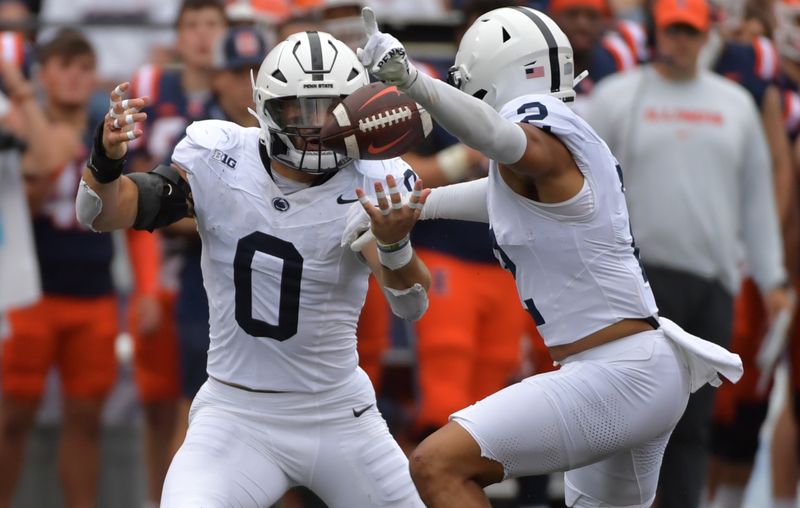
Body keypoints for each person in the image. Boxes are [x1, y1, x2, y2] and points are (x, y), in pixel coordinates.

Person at [353, 5, 743, 507]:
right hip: (635, 367)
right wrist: (415, 205)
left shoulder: (539, 125)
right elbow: (498, 196)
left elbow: (500, 138)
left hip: (615, 371)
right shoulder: (558, 151)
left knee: (437, 464)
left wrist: (412, 82)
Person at [76, 30, 431, 507]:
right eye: (299, 110)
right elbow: (101, 212)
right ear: (266, 107)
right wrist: (106, 161)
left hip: (337, 414)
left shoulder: (372, 178)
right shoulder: (219, 154)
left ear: (356, 110)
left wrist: (393, 246)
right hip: (235, 412)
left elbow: (411, 301)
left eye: (330, 109)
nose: (314, 126)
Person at [585, 0, 792, 507]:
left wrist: (772, 282)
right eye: (673, 30)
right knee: (623, 422)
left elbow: (757, 201)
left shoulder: (735, 103)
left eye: (691, 32)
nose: (682, 41)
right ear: (657, 32)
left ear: (706, 37)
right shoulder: (616, 97)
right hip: (634, 283)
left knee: (695, 425)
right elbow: (585, 192)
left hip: (710, 284)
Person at [0, 29, 122, 508]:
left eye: (83, 66)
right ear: (43, 73)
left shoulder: (108, 128)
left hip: (94, 287)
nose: (74, 76)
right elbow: (22, 208)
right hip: (33, 290)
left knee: (87, 416)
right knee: (13, 414)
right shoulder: (18, 121)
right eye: (64, 65)